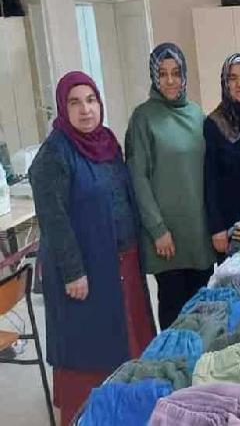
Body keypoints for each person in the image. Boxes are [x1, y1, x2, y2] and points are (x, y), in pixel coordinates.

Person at [30, 71, 155, 426]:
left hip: (120, 264)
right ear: (62, 108)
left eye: (91, 100)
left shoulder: (106, 142)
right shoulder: (54, 154)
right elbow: (53, 220)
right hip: (84, 271)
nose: (85, 110)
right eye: (75, 102)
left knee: (128, 338)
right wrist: (73, 272)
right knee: (90, 352)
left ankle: (128, 408)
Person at [125, 43, 215, 329]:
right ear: (154, 77)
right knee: (174, 314)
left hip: (198, 233)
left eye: (176, 72)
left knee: (202, 311)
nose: (170, 80)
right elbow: (137, 178)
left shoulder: (196, 114)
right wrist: (158, 230)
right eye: (162, 74)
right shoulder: (143, 118)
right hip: (167, 239)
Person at [204, 53, 240, 262]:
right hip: (230, 228)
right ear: (225, 84)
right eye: (232, 78)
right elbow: (210, 179)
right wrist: (216, 228)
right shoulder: (214, 124)